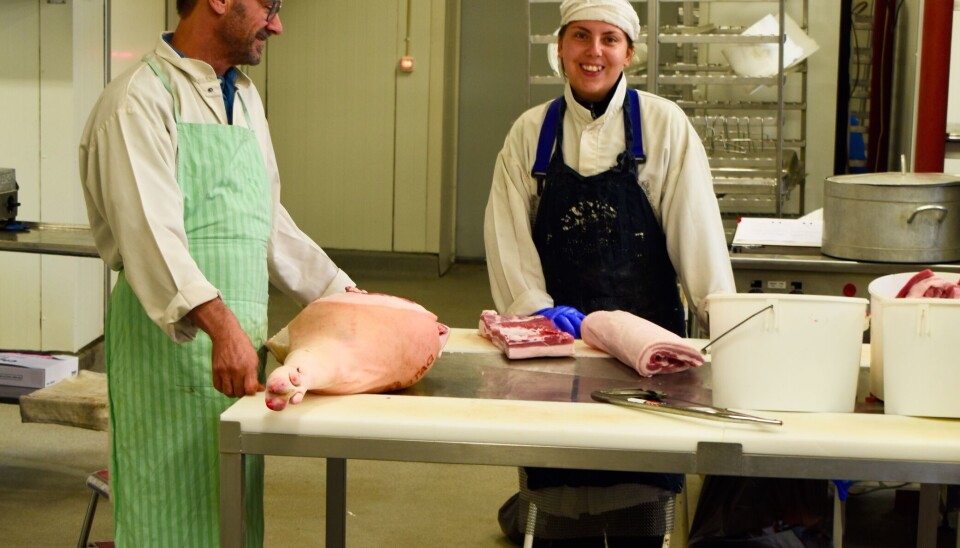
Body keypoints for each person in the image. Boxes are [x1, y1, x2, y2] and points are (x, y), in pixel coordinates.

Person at [78, 0, 354, 545]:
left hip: (236, 350)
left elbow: (267, 223)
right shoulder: (139, 99)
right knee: (168, 515)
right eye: (269, 7)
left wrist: (343, 295)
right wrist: (221, 327)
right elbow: (150, 239)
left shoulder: (244, 98)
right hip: (170, 352)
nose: (278, 24)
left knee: (232, 513)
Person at [483, 0, 735, 544]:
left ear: (629, 52)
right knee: (556, 489)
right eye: (580, 36)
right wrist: (539, 316)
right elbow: (507, 240)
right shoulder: (531, 134)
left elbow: (698, 234)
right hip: (558, 350)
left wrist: (725, 333)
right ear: (560, 48)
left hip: (650, 353)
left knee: (639, 493)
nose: (593, 52)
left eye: (609, 39)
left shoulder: (665, 126)